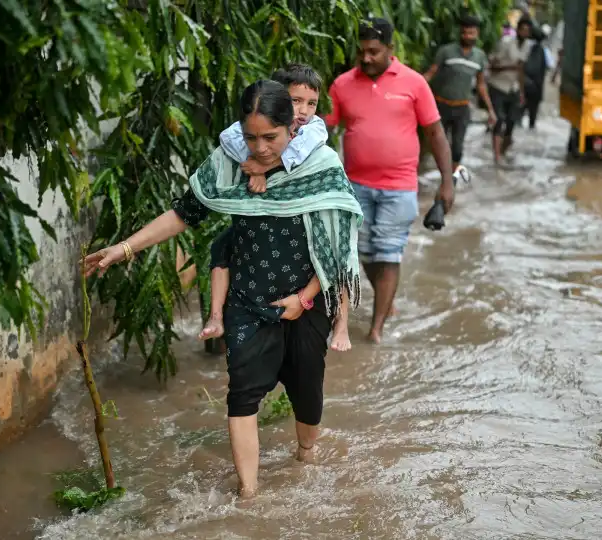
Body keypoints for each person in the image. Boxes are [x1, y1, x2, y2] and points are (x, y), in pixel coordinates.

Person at [83, 80, 364, 498]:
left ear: (292, 129)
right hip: (247, 300)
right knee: (242, 395)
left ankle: (306, 454)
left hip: (307, 300)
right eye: (251, 137)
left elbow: (339, 248)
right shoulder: (229, 163)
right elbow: (183, 212)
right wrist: (124, 248)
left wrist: (304, 299)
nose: (260, 147)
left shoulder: (321, 166)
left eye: (271, 137)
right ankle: (248, 494)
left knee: (307, 390)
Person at [203, 64, 353, 353]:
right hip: (269, 219)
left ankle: (342, 324)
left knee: (337, 251)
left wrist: (262, 166)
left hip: (318, 207)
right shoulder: (261, 127)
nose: (304, 110)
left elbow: (297, 152)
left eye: (312, 103)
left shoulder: (313, 129)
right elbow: (231, 137)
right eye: (296, 101)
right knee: (221, 248)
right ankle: (216, 315)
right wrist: (256, 164)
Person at [325, 17, 454, 344]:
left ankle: (376, 329)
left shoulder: (414, 83)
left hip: (399, 187)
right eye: (361, 52)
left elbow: (435, 133)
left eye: (374, 51)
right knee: (365, 254)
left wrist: (447, 181)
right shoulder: (341, 85)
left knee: (388, 253)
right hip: (355, 187)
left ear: (390, 49)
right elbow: (323, 130)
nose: (366, 58)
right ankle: (387, 299)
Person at [423, 15, 498, 181]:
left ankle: (451, 181)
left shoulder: (479, 57)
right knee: (436, 144)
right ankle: (435, 176)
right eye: (464, 33)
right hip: (441, 106)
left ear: (477, 34)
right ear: (460, 33)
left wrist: (490, 110)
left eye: (471, 33)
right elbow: (431, 73)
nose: (468, 36)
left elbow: (481, 85)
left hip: (462, 109)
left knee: (457, 148)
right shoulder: (446, 51)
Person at [489, 16, 534, 164]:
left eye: (528, 31)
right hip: (498, 85)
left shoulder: (527, 46)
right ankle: (496, 156)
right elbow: (492, 66)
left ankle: (503, 151)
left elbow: (520, 70)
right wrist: (509, 67)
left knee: (512, 121)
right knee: (499, 119)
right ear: (517, 30)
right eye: (523, 30)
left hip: (513, 88)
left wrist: (521, 91)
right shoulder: (506, 43)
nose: (525, 33)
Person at [522, 25, 553, 129]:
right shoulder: (544, 51)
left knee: (517, 113)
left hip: (523, 84)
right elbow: (550, 65)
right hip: (536, 87)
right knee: (532, 114)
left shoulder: (524, 47)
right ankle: (531, 125)